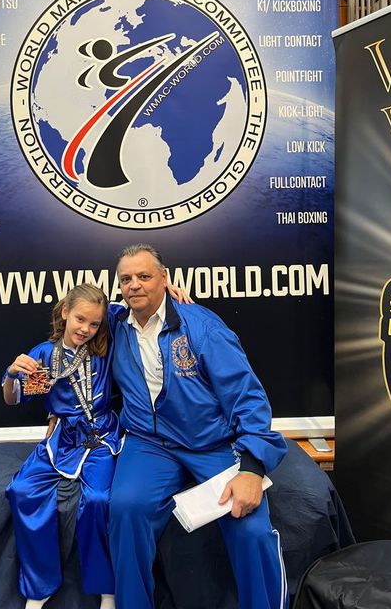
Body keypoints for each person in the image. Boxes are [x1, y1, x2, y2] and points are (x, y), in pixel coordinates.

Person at [108, 244, 289, 609]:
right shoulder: (113, 325)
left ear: (165, 278)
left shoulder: (202, 327)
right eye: (126, 279)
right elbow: (77, 316)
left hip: (211, 443)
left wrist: (252, 468)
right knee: (126, 509)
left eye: (144, 276)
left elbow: (247, 396)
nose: (134, 285)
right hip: (149, 444)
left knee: (252, 531)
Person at [3, 284, 119, 609]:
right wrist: (11, 375)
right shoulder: (45, 355)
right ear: (66, 312)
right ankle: (39, 587)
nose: (86, 329)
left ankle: (107, 591)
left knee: (98, 500)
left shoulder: (104, 346)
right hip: (62, 438)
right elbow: (13, 400)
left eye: (94, 323)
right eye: (80, 319)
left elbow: (135, 307)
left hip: (101, 437)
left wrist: (167, 289)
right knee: (21, 491)